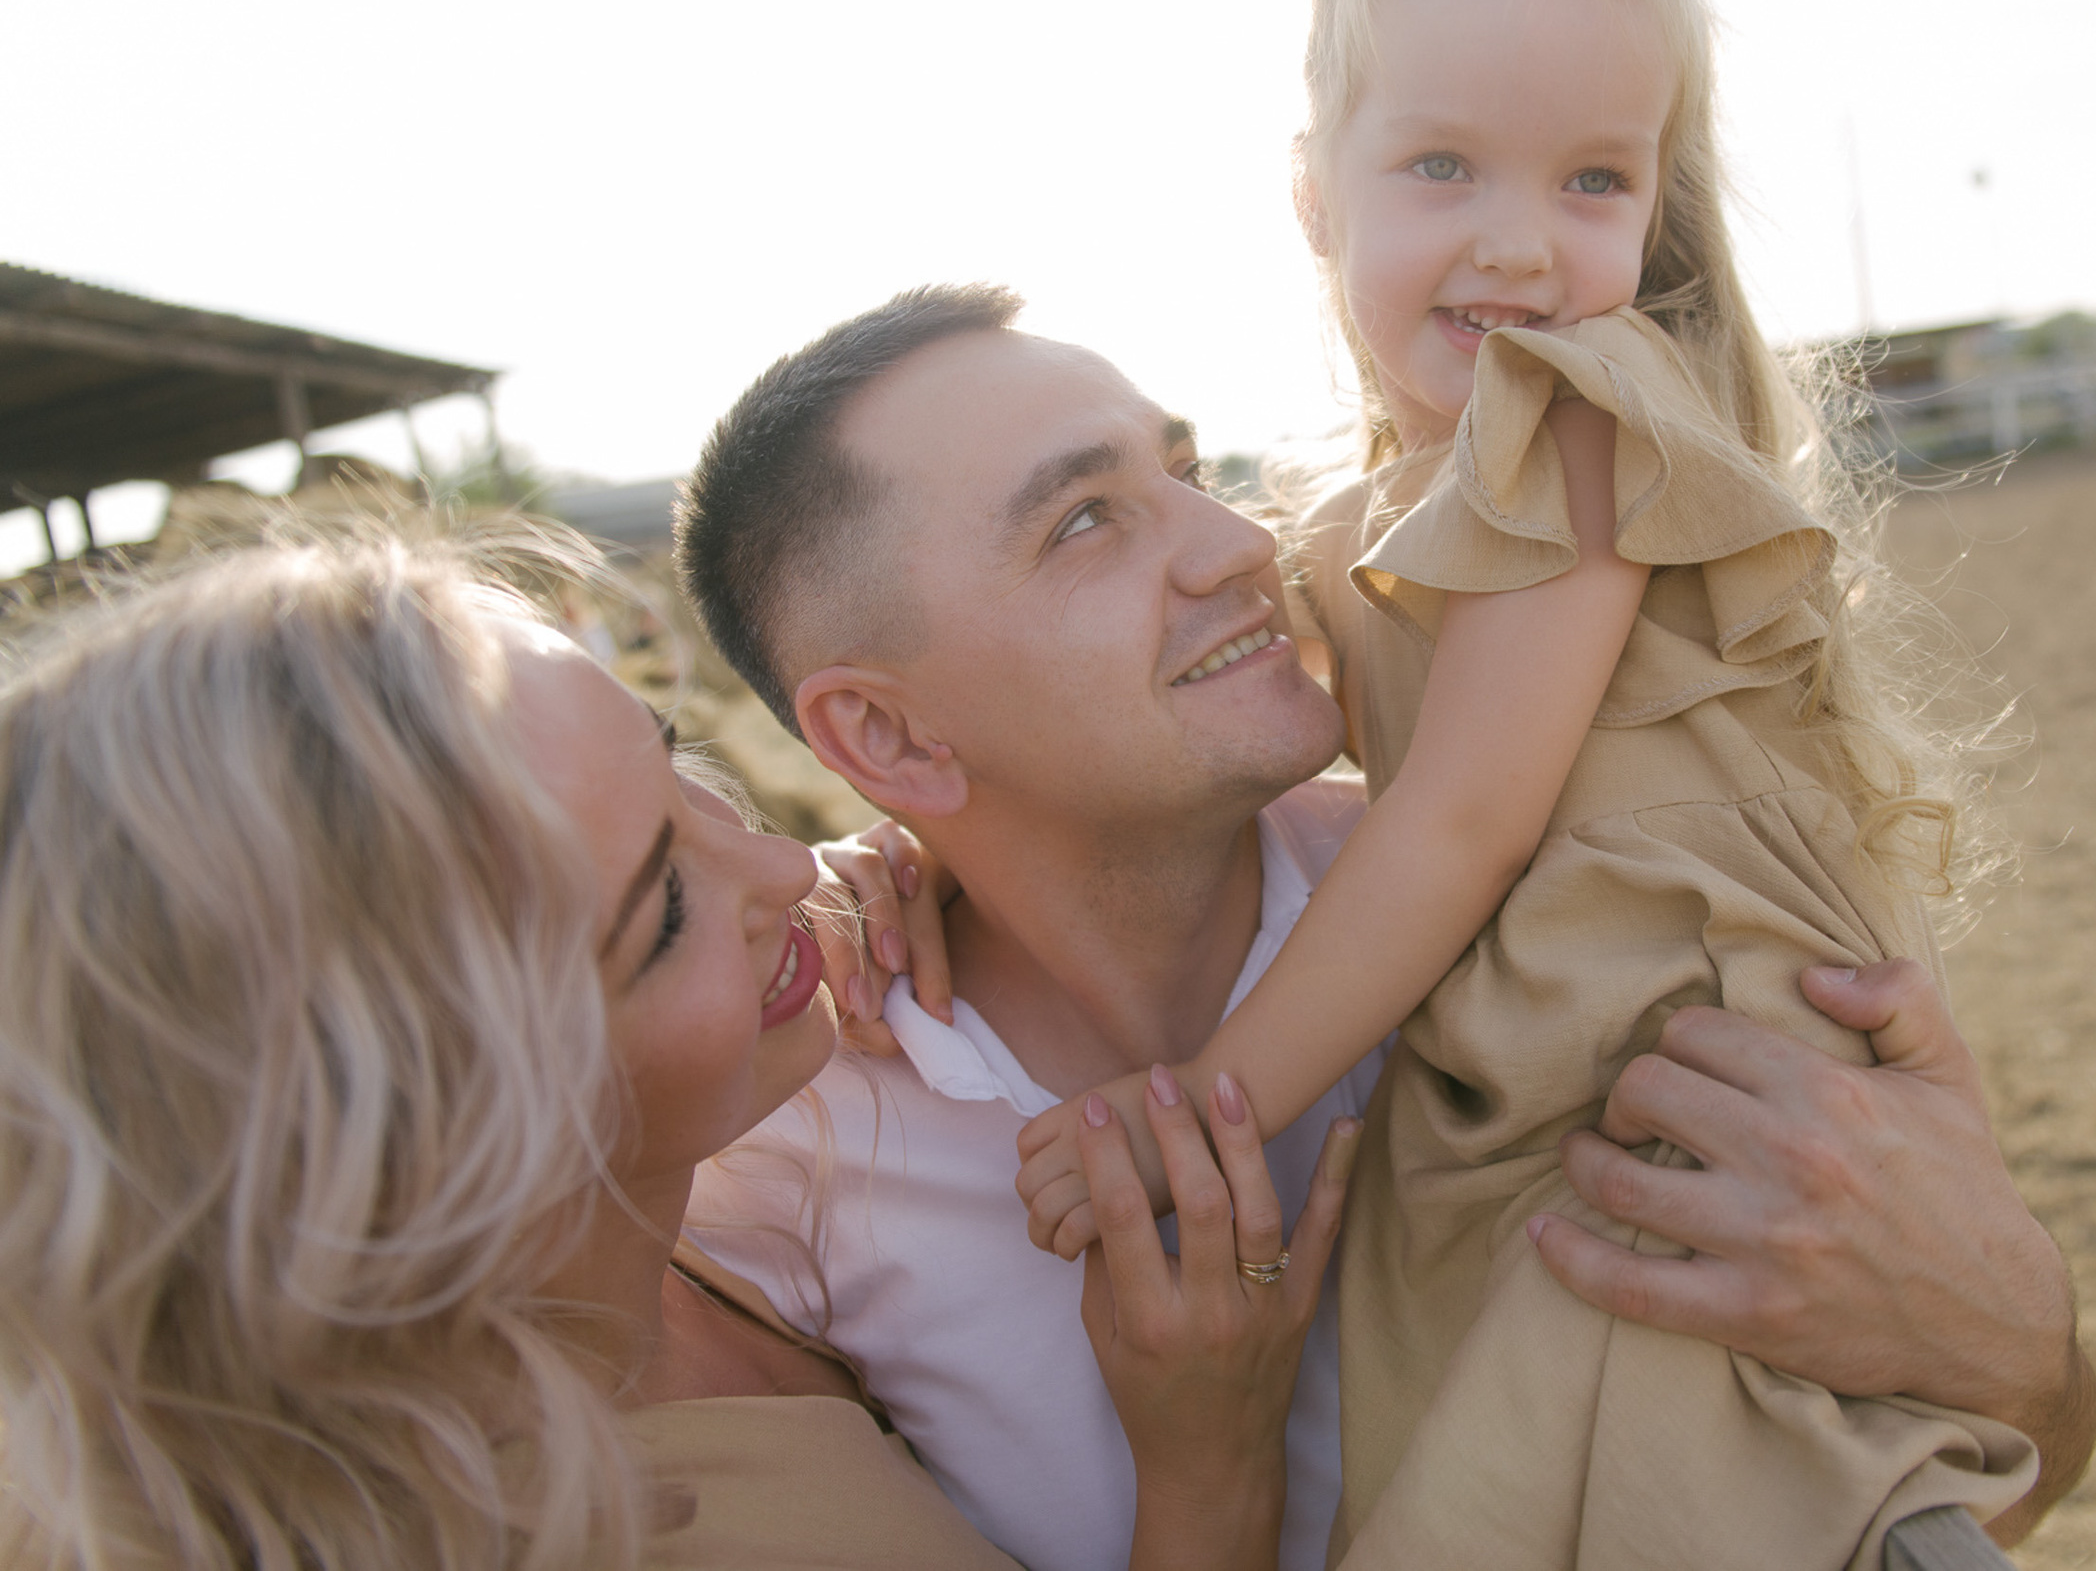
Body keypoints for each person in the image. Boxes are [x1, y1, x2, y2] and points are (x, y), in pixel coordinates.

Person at [674, 286, 2096, 1570]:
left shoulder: (1553, 908)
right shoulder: (785, 1158)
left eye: (1186, 470)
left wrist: (2018, 1343)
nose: (1237, 545)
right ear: (888, 732)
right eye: (1087, 521)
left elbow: (1977, 1488)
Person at [1004, 0, 2047, 1565]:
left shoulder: (1579, 407)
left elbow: (1462, 820)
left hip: (1674, 1028)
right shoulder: (1384, 498)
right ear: (1310, 196)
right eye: (1440, 164)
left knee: (1690, 1436)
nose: (1516, 236)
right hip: (1554, 1036)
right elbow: (1223, 723)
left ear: (1656, 199)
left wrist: (1198, 1101)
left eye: (1590, 177)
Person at [0, 525, 1349, 1571]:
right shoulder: (537, 1526)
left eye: (678, 767)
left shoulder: (661, 1232)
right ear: (436, 1122)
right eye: (663, 910)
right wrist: (1211, 1488)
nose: (783, 856)